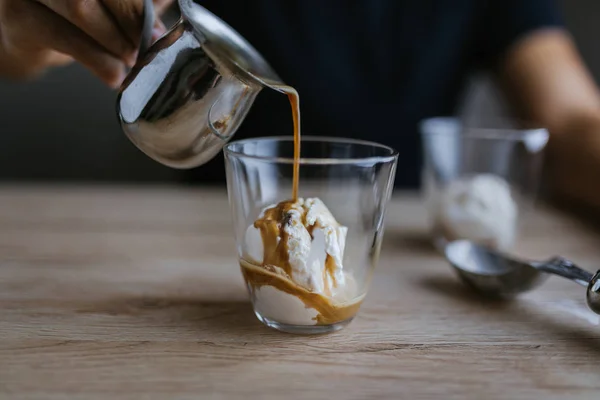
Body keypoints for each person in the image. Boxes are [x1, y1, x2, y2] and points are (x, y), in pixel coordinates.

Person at [1, 0, 599, 214]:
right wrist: (22, 31)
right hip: (202, 235)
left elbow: (570, 118)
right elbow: (16, 58)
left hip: (393, 242)